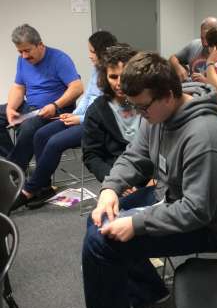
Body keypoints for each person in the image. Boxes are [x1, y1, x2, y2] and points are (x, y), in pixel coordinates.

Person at [72, 52, 217, 308]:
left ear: (167, 95)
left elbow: (196, 211)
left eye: (142, 107)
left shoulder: (204, 137)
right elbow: (136, 156)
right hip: (170, 198)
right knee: (99, 221)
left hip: (206, 223)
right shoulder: (157, 114)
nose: (139, 114)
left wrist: (137, 223)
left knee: (103, 242)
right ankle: (152, 297)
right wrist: (111, 189)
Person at [11, 30, 117, 211]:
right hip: (82, 116)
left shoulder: (113, 75)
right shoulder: (97, 70)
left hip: (97, 124)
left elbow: (106, 108)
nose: (89, 55)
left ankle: (29, 190)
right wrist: (75, 113)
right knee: (40, 134)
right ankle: (43, 187)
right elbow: (87, 97)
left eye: (91, 51)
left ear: (101, 52)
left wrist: (80, 118)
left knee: (53, 143)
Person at [0, 24, 83, 171]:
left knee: (28, 128)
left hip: (55, 109)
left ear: (40, 45)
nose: (24, 56)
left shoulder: (60, 59)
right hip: (31, 107)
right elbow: (19, 87)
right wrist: (11, 108)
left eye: (27, 50)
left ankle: (12, 172)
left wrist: (55, 105)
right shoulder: (22, 60)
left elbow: (77, 88)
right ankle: (12, 165)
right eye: (20, 52)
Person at [82, 45, 141, 184]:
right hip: (117, 176)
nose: (119, 83)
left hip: (153, 176)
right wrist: (115, 181)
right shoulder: (96, 111)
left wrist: (156, 179)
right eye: (113, 77)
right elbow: (91, 155)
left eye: (125, 76)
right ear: (105, 77)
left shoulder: (148, 102)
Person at [168, 16, 217, 81]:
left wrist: (205, 80)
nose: (205, 43)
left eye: (208, 39)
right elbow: (172, 58)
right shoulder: (194, 45)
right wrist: (178, 67)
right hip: (192, 88)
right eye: (202, 38)